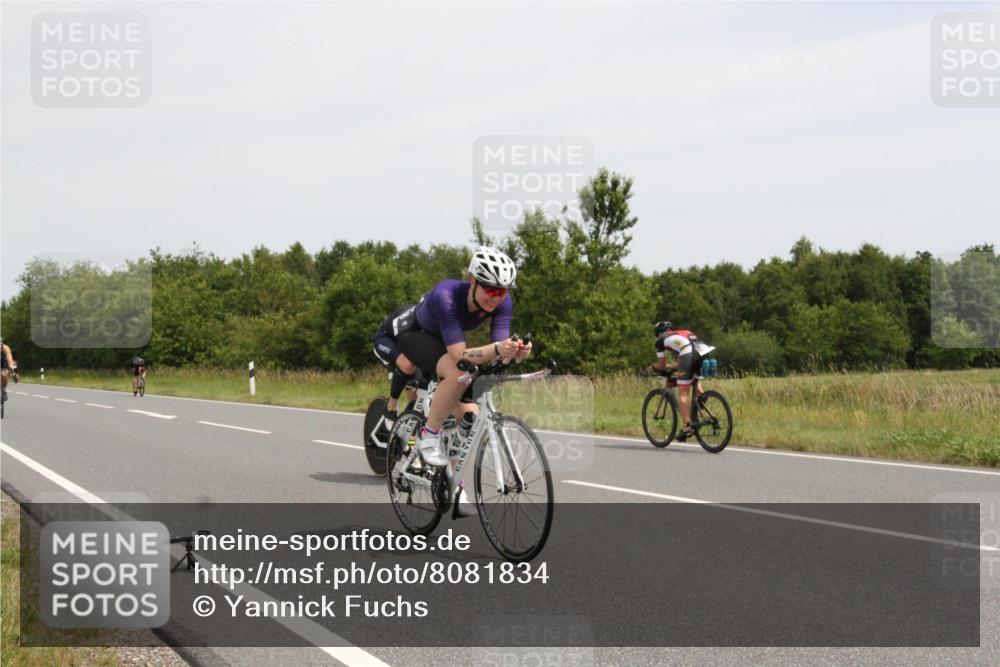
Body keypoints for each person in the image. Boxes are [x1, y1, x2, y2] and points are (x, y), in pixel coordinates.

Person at [397, 247, 531, 515]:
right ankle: (428, 434)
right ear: (472, 281)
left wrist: (514, 352)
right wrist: (497, 349)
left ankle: (454, 485)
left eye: (502, 292)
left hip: (448, 345)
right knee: (457, 373)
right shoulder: (446, 295)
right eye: (490, 290)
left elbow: (498, 346)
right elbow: (459, 356)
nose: (496, 298)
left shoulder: (503, 302)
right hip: (417, 336)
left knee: (469, 416)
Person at [647, 321, 715, 441]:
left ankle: (687, 428)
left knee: (683, 393)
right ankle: (698, 407)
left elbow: (661, 366)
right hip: (703, 351)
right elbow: (683, 362)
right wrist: (669, 366)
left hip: (688, 352)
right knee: (694, 382)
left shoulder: (660, 340)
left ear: (657, 333)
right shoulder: (683, 333)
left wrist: (653, 368)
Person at [372, 303, 419, 429]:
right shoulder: (410, 318)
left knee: (417, 387)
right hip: (385, 340)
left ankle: (411, 422)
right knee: (407, 367)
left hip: (406, 344)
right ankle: (391, 406)